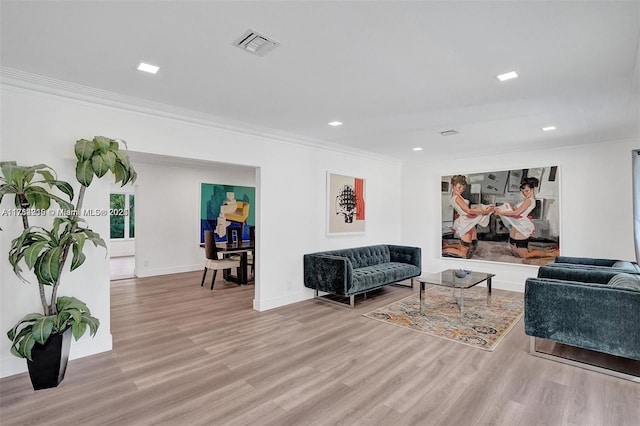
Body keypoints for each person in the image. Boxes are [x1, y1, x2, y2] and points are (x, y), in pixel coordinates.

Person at [494, 177, 559, 259]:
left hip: (521, 225)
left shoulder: (529, 200)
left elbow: (516, 213)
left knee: (524, 255)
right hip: (517, 224)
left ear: (532, 189)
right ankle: (542, 250)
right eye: (523, 191)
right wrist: (509, 207)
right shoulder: (527, 200)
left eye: (527, 191)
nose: (525, 193)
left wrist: (501, 212)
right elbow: (517, 211)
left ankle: (550, 254)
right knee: (515, 251)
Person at [442, 175, 494, 258]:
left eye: (463, 188)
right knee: (465, 254)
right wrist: (485, 211)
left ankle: (447, 245)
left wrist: (482, 209)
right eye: (459, 187)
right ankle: (444, 250)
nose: (461, 190)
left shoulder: (457, 195)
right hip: (465, 222)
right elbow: (468, 211)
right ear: (454, 186)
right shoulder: (456, 197)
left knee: (472, 244)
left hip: (468, 219)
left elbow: (465, 210)